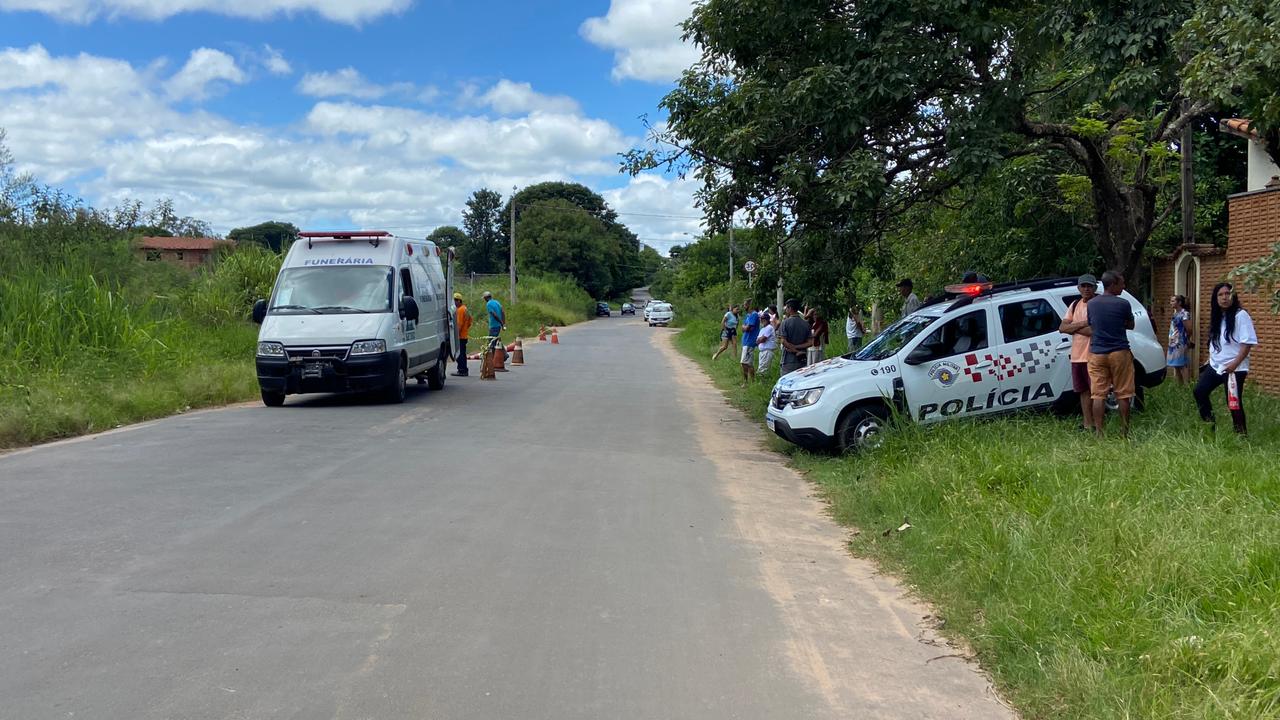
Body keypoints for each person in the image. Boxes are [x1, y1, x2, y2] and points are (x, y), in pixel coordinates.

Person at [1194, 283, 1257, 435]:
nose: (1224, 297)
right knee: (1200, 392)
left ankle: (1241, 436)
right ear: (1215, 298)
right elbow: (1218, 342)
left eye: (1227, 294)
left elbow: (1247, 342)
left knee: (1233, 403)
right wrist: (1210, 359)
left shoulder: (1240, 315)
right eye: (1220, 295)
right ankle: (1210, 429)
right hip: (1216, 366)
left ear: (1233, 296)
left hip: (1235, 368)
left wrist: (1235, 364)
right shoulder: (1218, 317)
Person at [1086, 271, 1136, 437]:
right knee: (1123, 393)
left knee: (1098, 394)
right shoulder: (1123, 304)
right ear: (1112, 284)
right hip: (1119, 352)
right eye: (1121, 283)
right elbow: (1130, 325)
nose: (1123, 286)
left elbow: (1091, 324)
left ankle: (1100, 433)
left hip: (1097, 353)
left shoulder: (1092, 304)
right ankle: (1124, 432)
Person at [1058, 274, 1099, 432]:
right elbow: (1062, 327)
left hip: (1093, 355)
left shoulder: (1097, 304)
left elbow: (1093, 330)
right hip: (1077, 356)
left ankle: (1098, 424)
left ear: (1094, 288)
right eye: (1083, 286)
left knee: (1096, 392)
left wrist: (1073, 327)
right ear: (1079, 288)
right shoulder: (1075, 305)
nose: (1086, 289)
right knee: (1082, 391)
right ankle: (1087, 424)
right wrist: (1082, 323)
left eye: (1089, 286)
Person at [779, 299, 813, 376]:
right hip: (802, 359)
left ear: (790, 308)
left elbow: (783, 341)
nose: (786, 310)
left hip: (788, 360)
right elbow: (810, 342)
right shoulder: (805, 324)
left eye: (786, 308)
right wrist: (798, 347)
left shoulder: (785, 323)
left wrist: (794, 350)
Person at [1167, 294, 1193, 385]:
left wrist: (1187, 339)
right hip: (1173, 342)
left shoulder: (1184, 314)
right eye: (1171, 301)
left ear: (1179, 302)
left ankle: (1186, 384)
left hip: (1181, 341)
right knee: (1176, 364)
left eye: (1173, 301)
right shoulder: (1175, 314)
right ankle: (1180, 384)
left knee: (1182, 364)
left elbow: (1189, 329)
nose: (1171, 303)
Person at [738, 300, 760, 386]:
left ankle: (747, 382)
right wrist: (745, 327)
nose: (744, 306)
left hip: (750, 341)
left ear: (749, 305)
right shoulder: (748, 315)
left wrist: (745, 327)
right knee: (747, 362)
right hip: (745, 341)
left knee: (745, 362)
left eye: (745, 305)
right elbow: (743, 327)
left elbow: (748, 328)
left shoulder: (754, 315)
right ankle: (750, 381)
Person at [453, 292, 472, 377]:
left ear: (459, 301)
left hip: (460, 336)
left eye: (455, 300)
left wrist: (456, 334)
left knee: (459, 354)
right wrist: (465, 329)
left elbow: (459, 324)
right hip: (464, 335)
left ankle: (461, 370)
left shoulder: (460, 310)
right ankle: (464, 369)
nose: (454, 303)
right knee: (463, 353)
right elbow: (470, 321)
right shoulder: (465, 308)